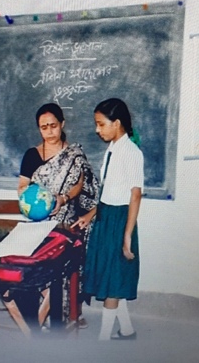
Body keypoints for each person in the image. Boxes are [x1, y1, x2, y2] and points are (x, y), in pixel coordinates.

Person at [17, 102, 99, 327]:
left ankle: (71, 312)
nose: (49, 131)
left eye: (53, 125)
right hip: (39, 222)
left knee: (69, 268)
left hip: (67, 221)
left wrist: (62, 198)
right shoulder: (32, 155)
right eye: (44, 127)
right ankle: (46, 312)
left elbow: (80, 185)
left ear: (62, 124)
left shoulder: (74, 155)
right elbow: (22, 186)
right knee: (41, 269)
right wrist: (32, 198)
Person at [81, 98, 144, 340]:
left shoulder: (131, 153)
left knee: (112, 282)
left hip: (119, 221)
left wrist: (127, 236)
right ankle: (127, 330)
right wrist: (91, 215)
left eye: (101, 124)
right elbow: (108, 191)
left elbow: (135, 195)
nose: (97, 129)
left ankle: (103, 341)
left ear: (116, 123)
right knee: (113, 279)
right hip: (106, 217)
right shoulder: (113, 148)